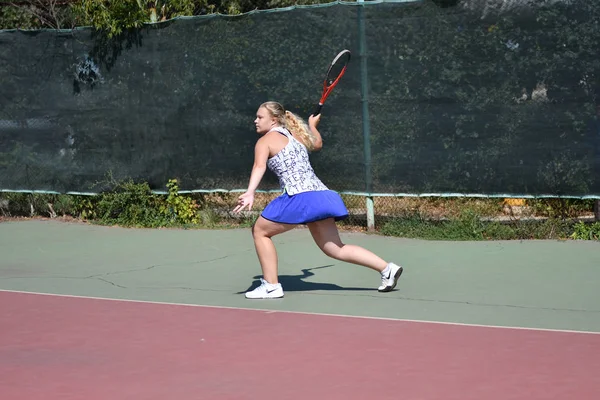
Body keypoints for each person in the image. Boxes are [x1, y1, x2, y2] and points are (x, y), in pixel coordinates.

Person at [233, 101, 403, 299]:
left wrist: (250, 192)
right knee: (335, 248)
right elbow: (317, 143)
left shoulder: (265, 141)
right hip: (321, 195)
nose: (255, 121)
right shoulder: (296, 136)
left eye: (260, 117)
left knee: (260, 231)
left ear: (274, 120)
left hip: (300, 197)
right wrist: (312, 126)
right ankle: (387, 269)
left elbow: (259, 166)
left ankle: (271, 285)